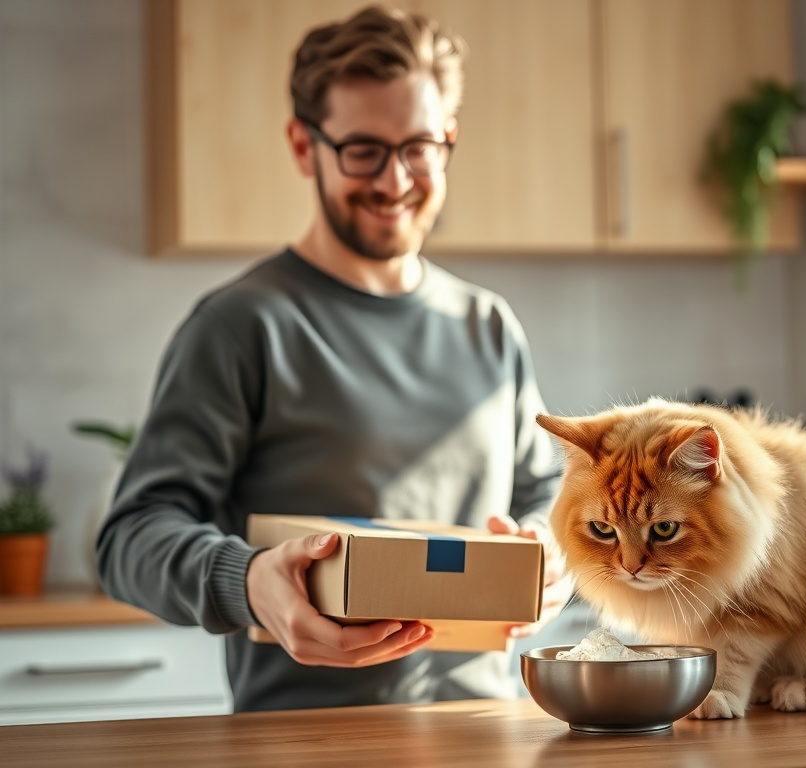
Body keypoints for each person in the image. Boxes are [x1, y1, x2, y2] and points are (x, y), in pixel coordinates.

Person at [97, 3, 569, 713]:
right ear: (302, 145)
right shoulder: (242, 327)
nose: (395, 180)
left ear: (448, 139)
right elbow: (130, 537)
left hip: (483, 730)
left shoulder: (489, 326)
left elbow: (545, 492)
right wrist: (249, 580)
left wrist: (552, 550)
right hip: (306, 740)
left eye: (419, 147)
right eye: (363, 150)